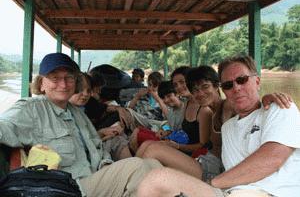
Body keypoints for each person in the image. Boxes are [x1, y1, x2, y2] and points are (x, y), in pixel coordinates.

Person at [0, 53, 162, 197]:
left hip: (94, 178)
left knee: (152, 165)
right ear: (41, 83)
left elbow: (98, 147)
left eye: (69, 78)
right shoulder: (30, 109)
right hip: (69, 187)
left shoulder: (76, 113)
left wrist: (106, 165)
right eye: (54, 78)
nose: (63, 84)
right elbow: (4, 126)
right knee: (137, 168)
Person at [137, 55, 300, 197]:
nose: (236, 88)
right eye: (228, 85)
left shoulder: (277, 108)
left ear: (257, 81)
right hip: (226, 183)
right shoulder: (226, 125)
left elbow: (272, 157)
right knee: (152, 174)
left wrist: (267, 98)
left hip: (233, 180)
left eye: (242, 80)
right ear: (224, 89)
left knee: (152, 153)